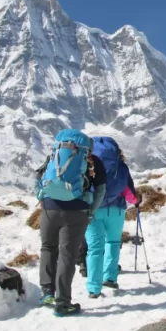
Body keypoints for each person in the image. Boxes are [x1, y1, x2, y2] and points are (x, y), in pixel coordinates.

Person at [35, 130, 98, 317]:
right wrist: (90, 211)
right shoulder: (89, 161)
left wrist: (41, 197)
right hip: (76, 211)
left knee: (47, 248)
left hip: (49, 208)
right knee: (67, 255)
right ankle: (63, 303)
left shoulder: (53, 158)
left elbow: (39, 177)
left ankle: (47, 293)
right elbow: (98, 186)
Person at [83, 136, 140, 299]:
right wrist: (137, 201)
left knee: (94, 248)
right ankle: (110, 278)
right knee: (113, 243)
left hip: (92, 210)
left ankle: (93, 287)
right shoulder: (120, 167)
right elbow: (129, 193)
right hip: (116, 210)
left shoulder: (86, 165)